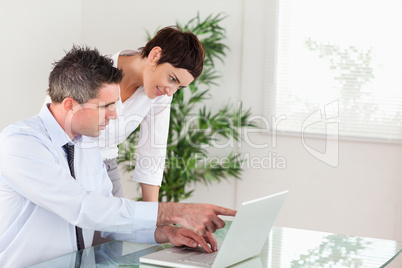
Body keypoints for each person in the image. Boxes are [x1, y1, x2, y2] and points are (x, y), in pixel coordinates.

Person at [0, 46, 236, 267]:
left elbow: (107, 218)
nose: (115, 116)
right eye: (107, 106)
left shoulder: (87, 145)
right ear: (71, 105)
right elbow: (83, 208)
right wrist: (173, 211)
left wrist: (162, 232)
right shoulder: (21, 144)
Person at [96, 26, 205, 201]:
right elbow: (51, 128)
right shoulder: (90, 71)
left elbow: (153, 152)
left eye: (179, 87)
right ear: (155, 56)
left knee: (115, 228)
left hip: (107, 169)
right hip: (68, 164)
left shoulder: (160, 94)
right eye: (172, 78)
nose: (171, 91)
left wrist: (152, 219)